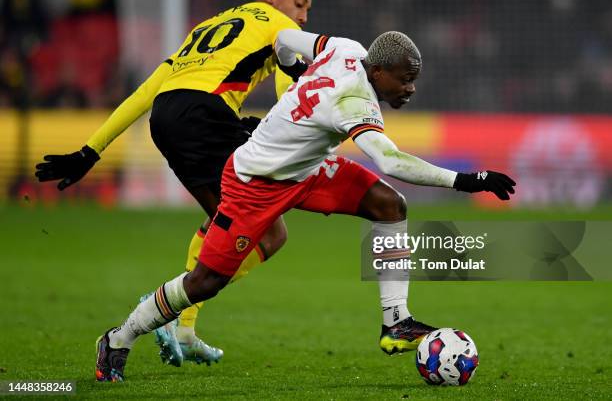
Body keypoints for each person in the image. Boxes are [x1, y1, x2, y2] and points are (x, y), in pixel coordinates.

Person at [94, 29, 516, 381]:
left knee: (390, 206)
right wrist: (467, 180)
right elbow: (390, 160)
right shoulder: (354, 102)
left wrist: (299, 73)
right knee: (204, 282)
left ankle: (396, 322)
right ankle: (120, 337)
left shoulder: (345, 47)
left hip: (307, 171)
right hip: (253, 185)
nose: (410, 88)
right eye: (405, 80)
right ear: (380, 71)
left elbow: (282, 40)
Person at [35, 0, 313, 367]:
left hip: (167, 119)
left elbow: (147, 92)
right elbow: (291, 90)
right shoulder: (280, 26)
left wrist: (91, 150)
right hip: (206, 116)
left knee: (228, 222)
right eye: (299, 4)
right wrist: (281, 127)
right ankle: (166, 311)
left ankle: (183, 326)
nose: (302, 17)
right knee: (270, 233)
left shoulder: (207, 28)